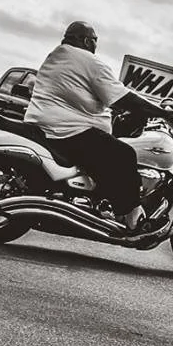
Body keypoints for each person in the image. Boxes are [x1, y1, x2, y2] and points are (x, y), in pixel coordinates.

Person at [27, 20, 155, 227]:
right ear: (87, 41)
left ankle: (100, 199)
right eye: (95, 41)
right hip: (69, 132)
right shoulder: (89, 61)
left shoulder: (56, 56)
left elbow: (78, 93)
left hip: (44, 125)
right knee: (125, 154)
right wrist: (162, 112)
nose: (95, 45)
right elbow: (121, 97)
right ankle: (130, 217)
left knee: (105, 150)